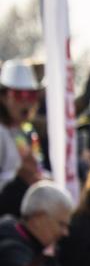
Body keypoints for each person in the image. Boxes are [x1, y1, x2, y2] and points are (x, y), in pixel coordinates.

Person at [0, 60, 44, 216]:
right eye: (18, 95)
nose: (26, 101)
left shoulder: (27, 131)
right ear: (4, 97)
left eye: (31, 95)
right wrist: (19, 178)